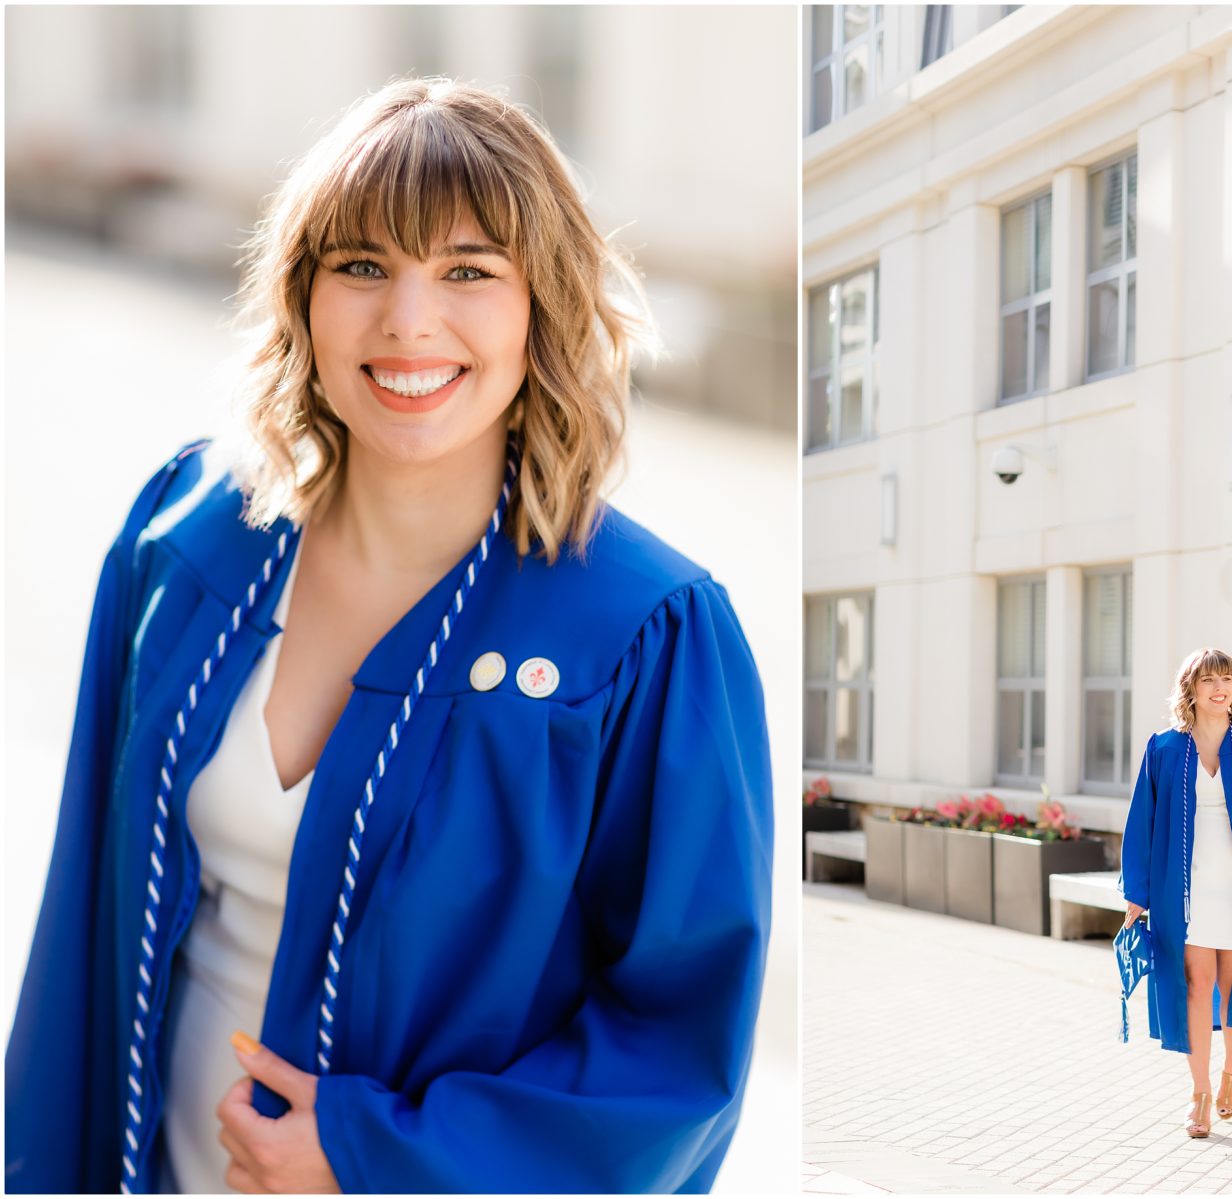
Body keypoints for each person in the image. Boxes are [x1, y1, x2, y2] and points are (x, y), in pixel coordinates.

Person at [5, 77, 774, 1194]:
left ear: (539, 308)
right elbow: (81, 921)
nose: (409, 321)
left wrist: (378, 1157)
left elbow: (677, 1055)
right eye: (362, 265)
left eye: (467, 271)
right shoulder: (189, 540)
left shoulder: (638, 635)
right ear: (303, 295)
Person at [1118, 648, 1232, 1138]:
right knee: (1195, 988)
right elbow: (1141, 822)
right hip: (1182, 891)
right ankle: (1199, 1092)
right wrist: (1137, 894)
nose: (1219, 688)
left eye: (1226, 679)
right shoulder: (1164, 748)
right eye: (1208, 681)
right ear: (1191, 690)